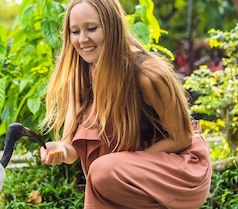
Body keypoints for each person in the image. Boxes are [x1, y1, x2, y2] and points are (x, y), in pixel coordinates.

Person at [38, 0, 212, 208]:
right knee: (103, 171)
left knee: (103, 170)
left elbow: (182, 138)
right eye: (75, 31)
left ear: (112, 27)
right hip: (125, 172)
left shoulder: (147, 75)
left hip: (180, 169)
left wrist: (130, 165)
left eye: (92, 28)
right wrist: (58, 150)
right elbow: (70, 148)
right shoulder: (80, 76)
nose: (83, 39)